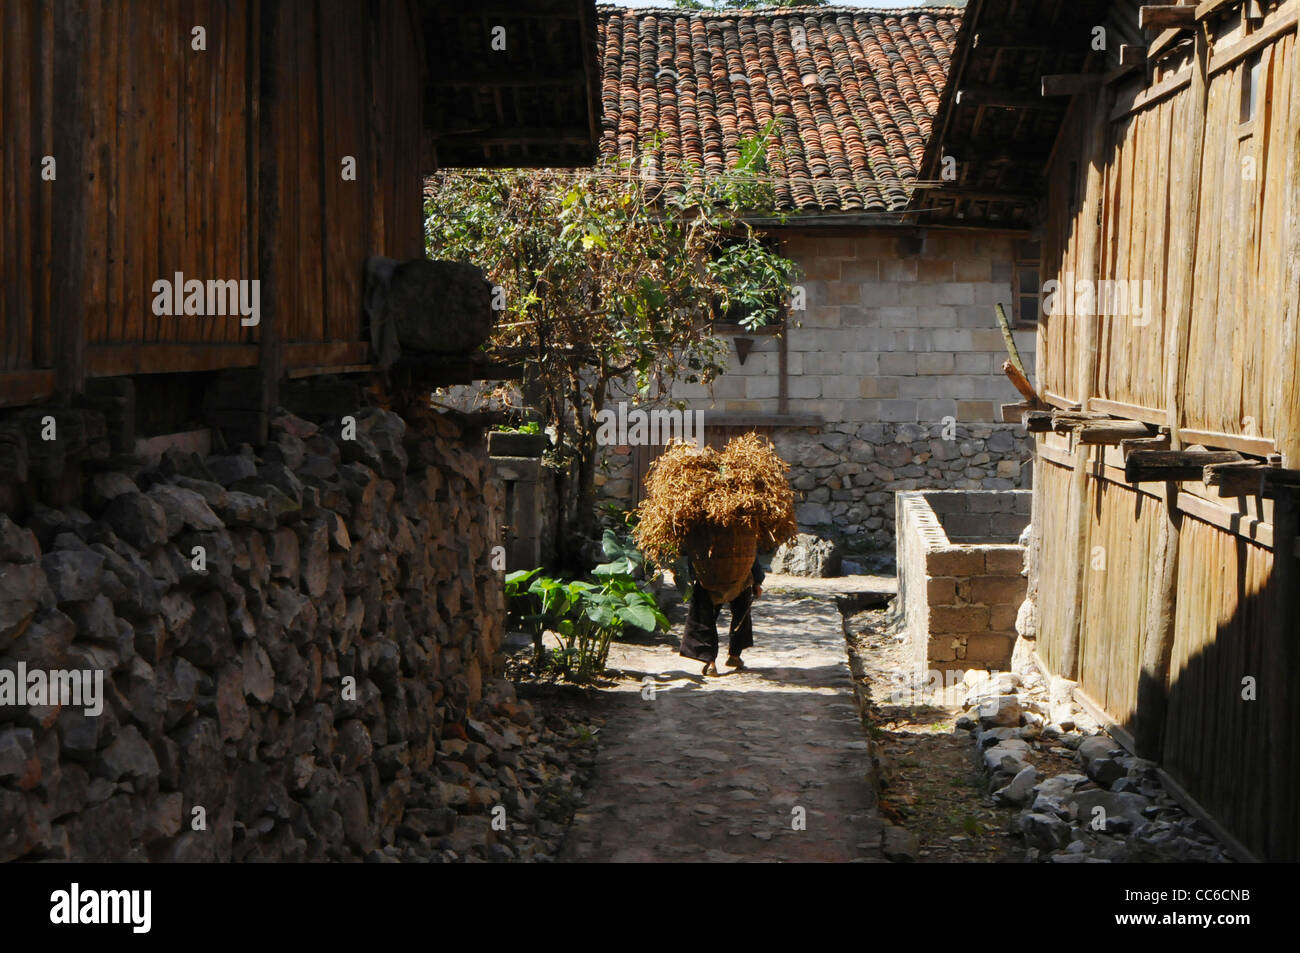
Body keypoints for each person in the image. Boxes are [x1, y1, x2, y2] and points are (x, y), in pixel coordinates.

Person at [679, 559, 764, 676]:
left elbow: (694, 549)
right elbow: (750, 551)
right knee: (741, 614)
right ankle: (734, 655)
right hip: (738, 575)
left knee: (705, 616)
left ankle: (711, 662)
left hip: (709, 575)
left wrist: (695, 574)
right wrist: (757, 581)